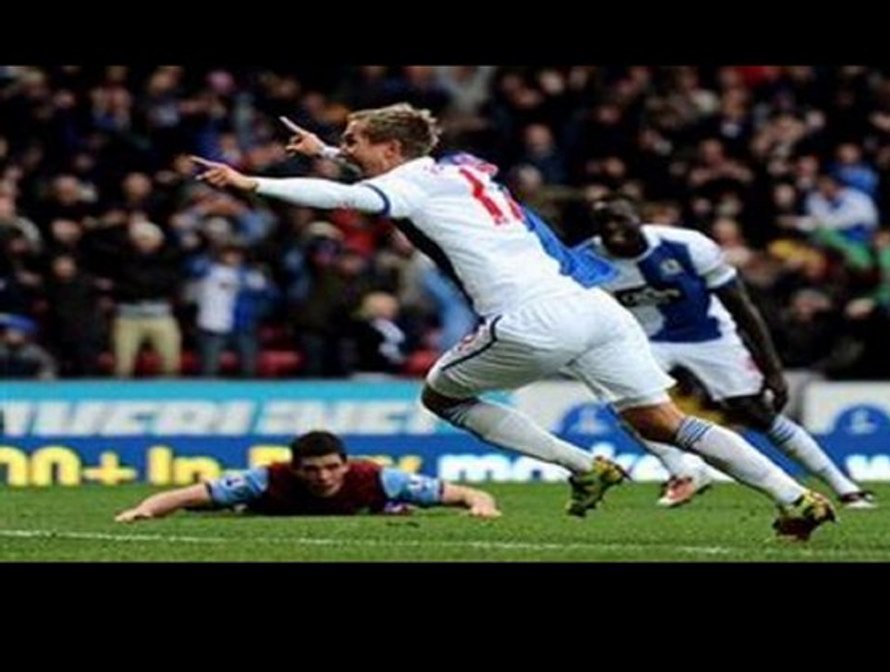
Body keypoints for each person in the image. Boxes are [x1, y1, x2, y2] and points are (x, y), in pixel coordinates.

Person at [191, 103, 836, 540]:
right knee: (663, 422)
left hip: (529, 316)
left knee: (442, 394)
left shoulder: (411, 184)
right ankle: (795, 498)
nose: (349, 149)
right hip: (593, 310)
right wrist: (327, 151)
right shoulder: (460, 169)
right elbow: (390, 177)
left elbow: (355, 197)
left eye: (356, 141)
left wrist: (255, 184)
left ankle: (583, 466)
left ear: (389, 146)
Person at [578, 195, 876, 509]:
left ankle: (844, 487)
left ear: (638, 218)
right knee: (632, 406)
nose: (613, 230)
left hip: (708, 334)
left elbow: (742, 306)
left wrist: (772, 370)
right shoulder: (586, 260)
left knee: (756, 413)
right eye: (604, 224)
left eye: (620, 219)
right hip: (644, 340)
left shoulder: (687, 245)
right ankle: (683, 471)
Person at [115, 430, 500, 521]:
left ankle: (391, 510)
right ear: (296, 469)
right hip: (260, 505)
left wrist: (482, 507)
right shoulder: (264, 478)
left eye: (332, 467)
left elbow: (468, 494)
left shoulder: (379, 477)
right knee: (211, 508)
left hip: (377, 500)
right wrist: (144, 510)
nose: (324, 477)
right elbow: (183, 496)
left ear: (346, 465)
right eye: (312, 470)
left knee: (396, 505)